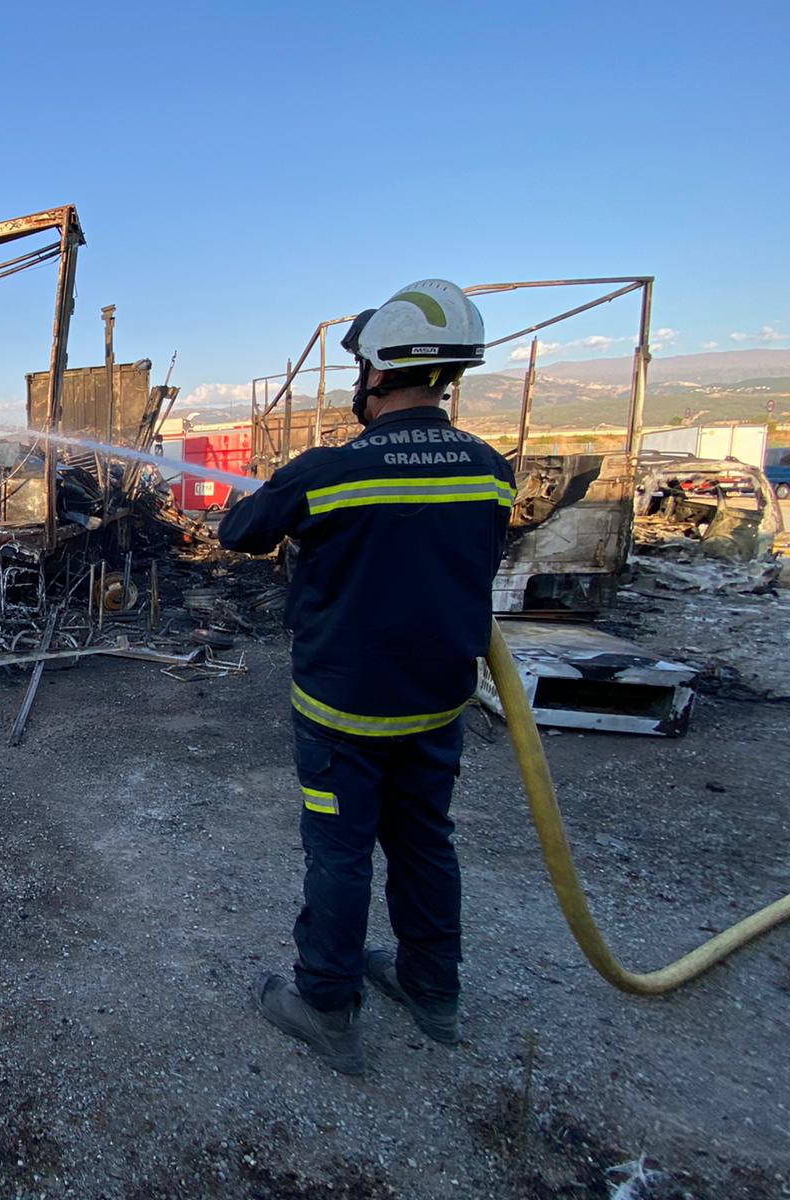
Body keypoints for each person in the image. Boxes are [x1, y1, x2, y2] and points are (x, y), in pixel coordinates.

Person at [217, 279, 515, 1075]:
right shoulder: (491, 470)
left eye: (360, 370)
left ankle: (325, 1005)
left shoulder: (325, 472)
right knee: (425, 842)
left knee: (341, 852)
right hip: (437, 705)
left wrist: (284, 488)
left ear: (379, 371)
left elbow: (237, 530)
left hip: (343, 711)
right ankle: (431, 992)